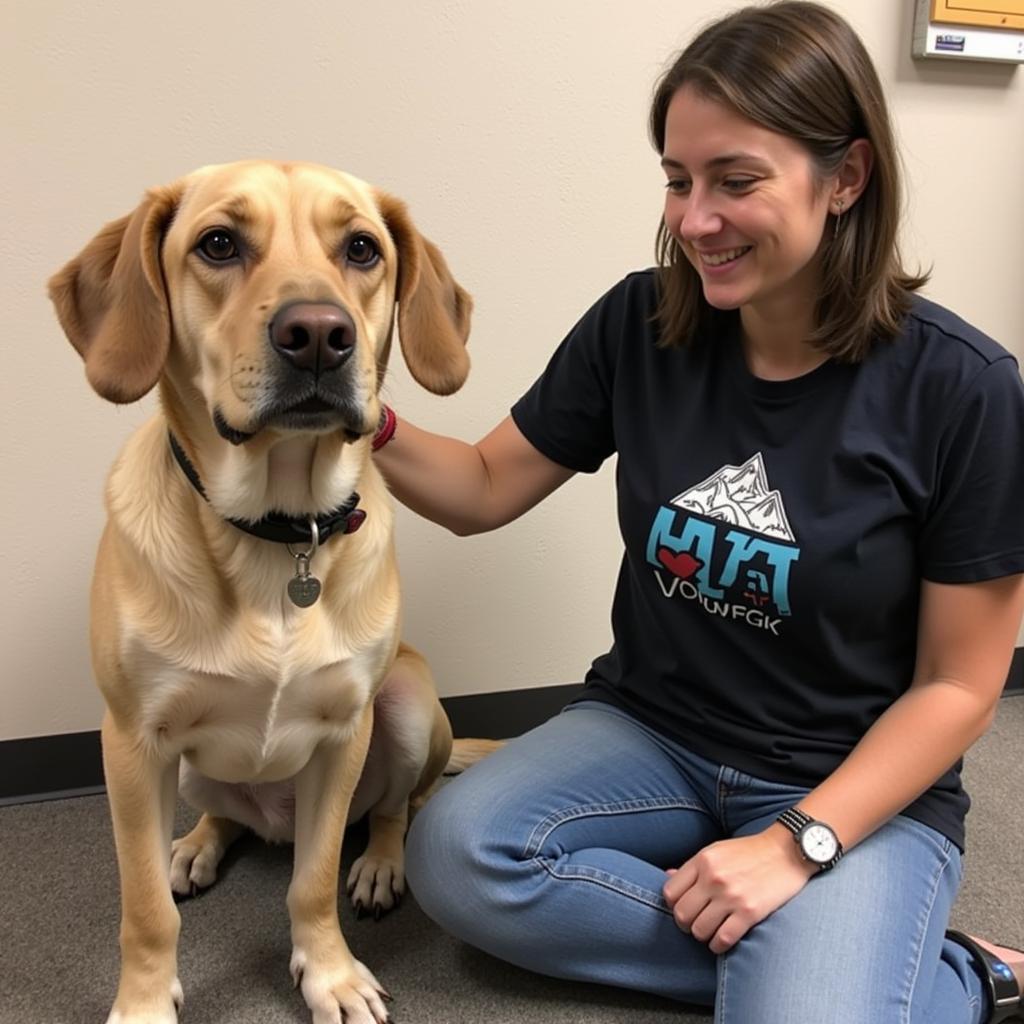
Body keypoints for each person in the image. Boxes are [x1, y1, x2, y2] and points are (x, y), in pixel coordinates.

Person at [373, 3, 1024, 1021]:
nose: (692, 218)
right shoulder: (640, 323)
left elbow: (958, 687)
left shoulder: (963, 388)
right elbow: (483, 487)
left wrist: (795, 844)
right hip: (653, 733)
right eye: (678, 180)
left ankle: (946, 979)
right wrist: (359, 422)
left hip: (850, 779)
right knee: (456, 857)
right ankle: (863, 968)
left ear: (845, 177)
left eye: (735, 180)